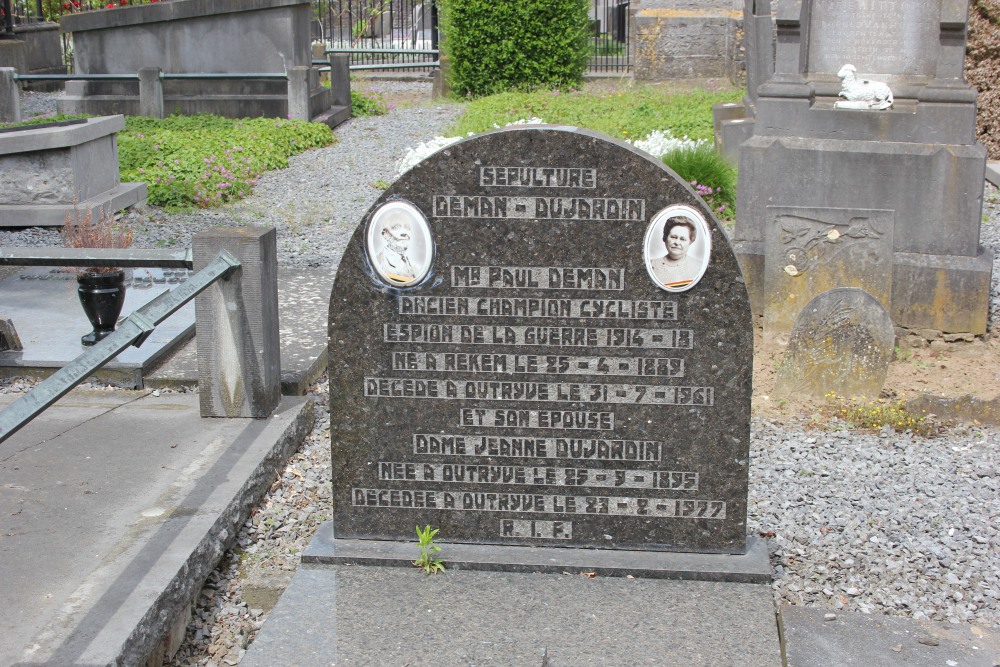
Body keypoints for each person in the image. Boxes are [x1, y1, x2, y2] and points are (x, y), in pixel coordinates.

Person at [651, 216, 701, 289]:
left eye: (683, 239)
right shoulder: (651, 264)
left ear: (690, 242)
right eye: (673, 237)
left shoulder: (698, 267)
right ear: (665, 238)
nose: (677, 242)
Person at [375, 217, 417, 283]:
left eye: (407, 228)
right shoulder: (378, 263)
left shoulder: (415, 267)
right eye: (396, 227)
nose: (404, 233)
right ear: (385, 234)